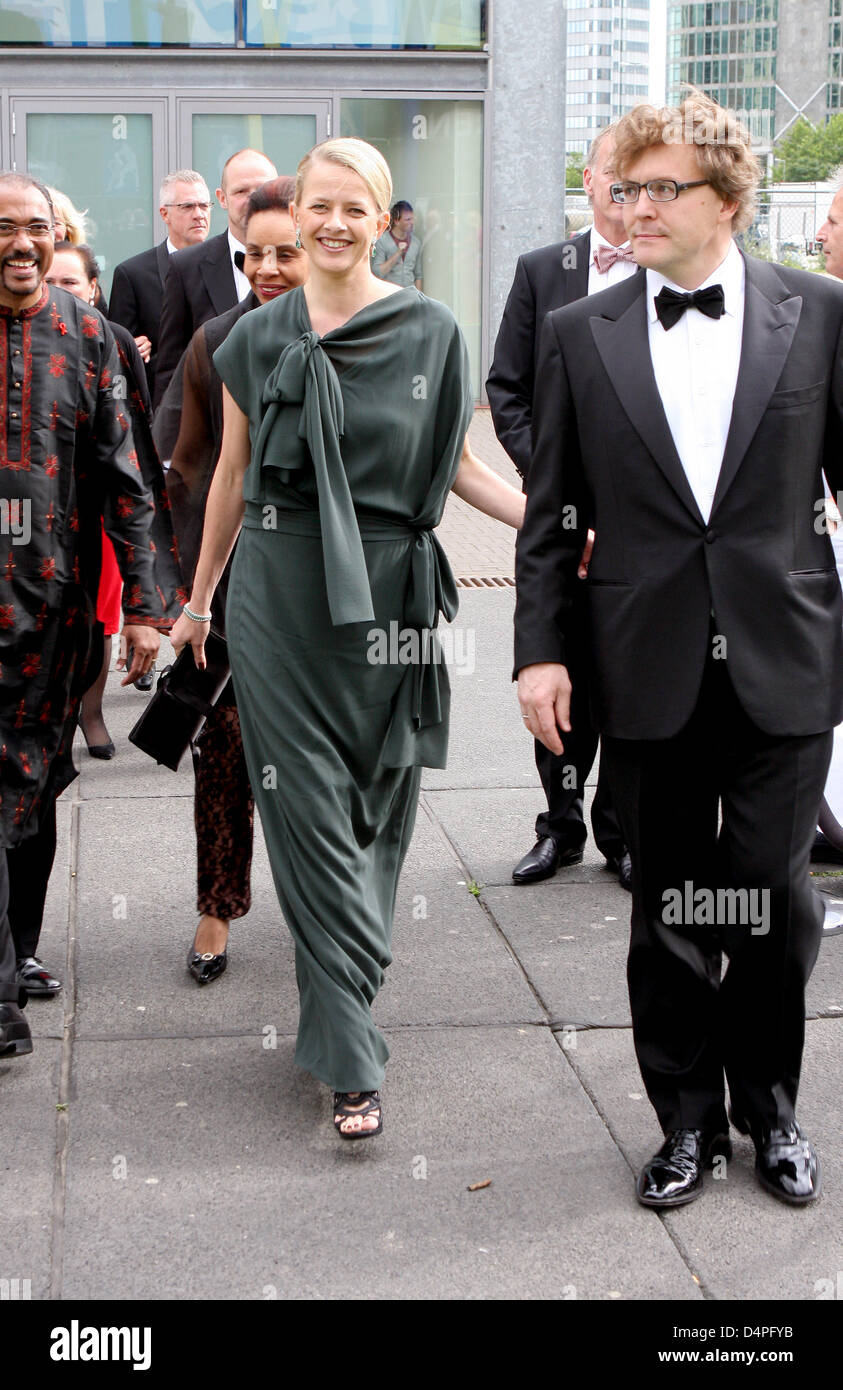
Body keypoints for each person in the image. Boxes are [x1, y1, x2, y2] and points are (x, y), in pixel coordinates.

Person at [515, 92, 843, 1209]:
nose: (631, 206)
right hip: (641, 659)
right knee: (669, 910)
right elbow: (550, 513)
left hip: (784, 656)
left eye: (661, 188)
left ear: (730, 202)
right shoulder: (580, 331)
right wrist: (538, 651)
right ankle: (687, 1122)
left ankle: (774, 1105)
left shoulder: (823, 312)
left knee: (768, 895)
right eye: (624, 185)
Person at [170, 137, 524, 1139]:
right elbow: (231, 476)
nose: (330, 224)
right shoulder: (250, 337)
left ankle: (346, 983)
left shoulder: (430, 332)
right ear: (279, 223)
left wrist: (546, 520)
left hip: (392, 592)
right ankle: (350, 1055)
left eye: (351, 208)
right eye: (314, 205)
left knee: (379, 806)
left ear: (382, 220)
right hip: (279, 595)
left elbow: (459, 465)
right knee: (311, 813)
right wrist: (199, 600)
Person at [0, 174, 179, 1055]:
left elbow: (132, 484)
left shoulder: (95, 341)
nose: (23, 243)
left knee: (34, 789)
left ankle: (18, 953)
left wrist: (148, 607)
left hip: (55, 617)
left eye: (38, 228)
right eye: (4, 228)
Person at [154, 177, 308, 985]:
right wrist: (188, 593)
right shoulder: (217, 341)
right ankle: (216, 907)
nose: (272, 267)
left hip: (327, 588)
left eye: (289, 251)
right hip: (237, 582)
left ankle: (328, 911)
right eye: (257, 254)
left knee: (329, 760)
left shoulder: (354, 335)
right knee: (226, 751)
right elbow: (187, 465)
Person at [487, 123, 632, 889]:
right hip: (562, 520)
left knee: (633, 679)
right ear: (588, 176)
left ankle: (621, 832)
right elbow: (505, 387)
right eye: (616, 173)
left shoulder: (669, 271)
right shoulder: (544, 269)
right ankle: (561, 825)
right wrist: (549, 480)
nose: (628, 189)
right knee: (556, 670)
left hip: (645, 524)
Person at [154, 149, 278, 407]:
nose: (253, 199)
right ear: (222, 198)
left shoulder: (303, 264)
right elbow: (170, 371)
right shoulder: (185, 267)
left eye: (263, 189)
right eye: (242, 191)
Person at [110, 169, 211, 398]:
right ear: (164, 214)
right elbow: (118, 360)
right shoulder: (132, 275)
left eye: (204, 206)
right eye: (187, 207)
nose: (199, 214)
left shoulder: (229, 266)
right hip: (160, 408)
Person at [372, 200, 423, 289]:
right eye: (408, 219)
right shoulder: (382, 241)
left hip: (409, 297)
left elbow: (418, 275)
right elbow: (377, 273)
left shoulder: (416, 243)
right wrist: (398, 253)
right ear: (396, 221)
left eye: (412, 219)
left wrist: (419, 300)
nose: (412, 223)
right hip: (389, 296)